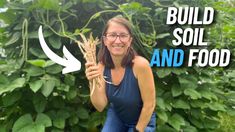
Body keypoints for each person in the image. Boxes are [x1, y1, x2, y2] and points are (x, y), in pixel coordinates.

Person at [85, 16, 156, 132]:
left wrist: (138, 130)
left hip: (143, 119)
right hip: (117, 116)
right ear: (105, 40)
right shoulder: (101, 66)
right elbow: (100, 106)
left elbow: (150, 104)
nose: (118, 41)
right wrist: (92, 81)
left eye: (123, 35)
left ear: (130, 40)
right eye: (112, 35)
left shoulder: (141, 65)